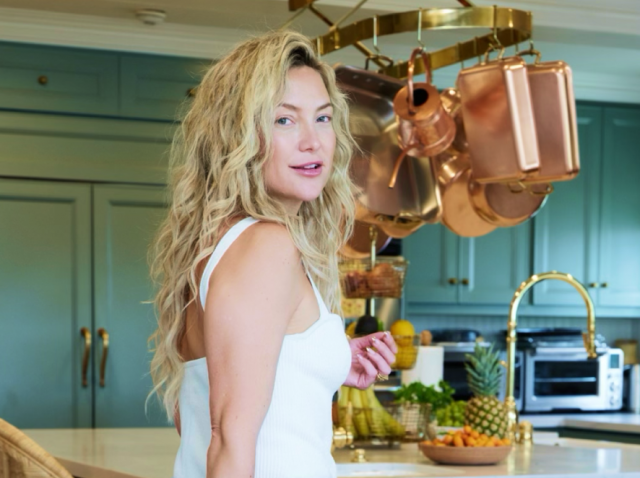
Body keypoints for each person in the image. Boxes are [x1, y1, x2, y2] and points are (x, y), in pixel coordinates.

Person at [147, 30, 398, 478]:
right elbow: (229, 439)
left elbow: (199, 416)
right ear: (238, 135)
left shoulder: (222, 243)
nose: (312, 141)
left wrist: (330, 357)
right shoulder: (267, 245)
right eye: (284, 120)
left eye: (322, 118)